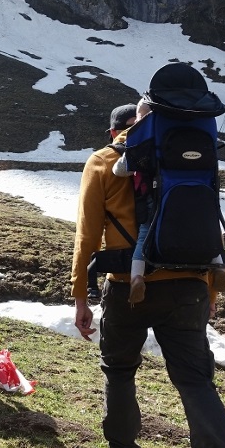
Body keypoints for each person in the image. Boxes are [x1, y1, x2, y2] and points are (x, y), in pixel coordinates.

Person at [70, 63, 225, 448]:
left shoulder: (104, 161)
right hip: (189, 286)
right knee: (197, 384)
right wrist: (212, 287)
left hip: (127, 290)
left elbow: (87, 237)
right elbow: (208, 224)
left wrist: (80, 297)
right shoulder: (197, 154)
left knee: (120, 372)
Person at [86, 104, 138, 306]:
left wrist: (82, 293)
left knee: (120, 337)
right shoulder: (170, 154)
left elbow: (88, 234)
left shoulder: (102, 160)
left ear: (113, 132)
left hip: (124, 278)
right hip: (182, 280)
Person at [112, 98, 154, 305]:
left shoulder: (141, 139)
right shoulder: (174, 135)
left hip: (151, 199)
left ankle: (137, 276)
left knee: (144, 236)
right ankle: (216, 264)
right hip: (185, 199)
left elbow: (121, 170)